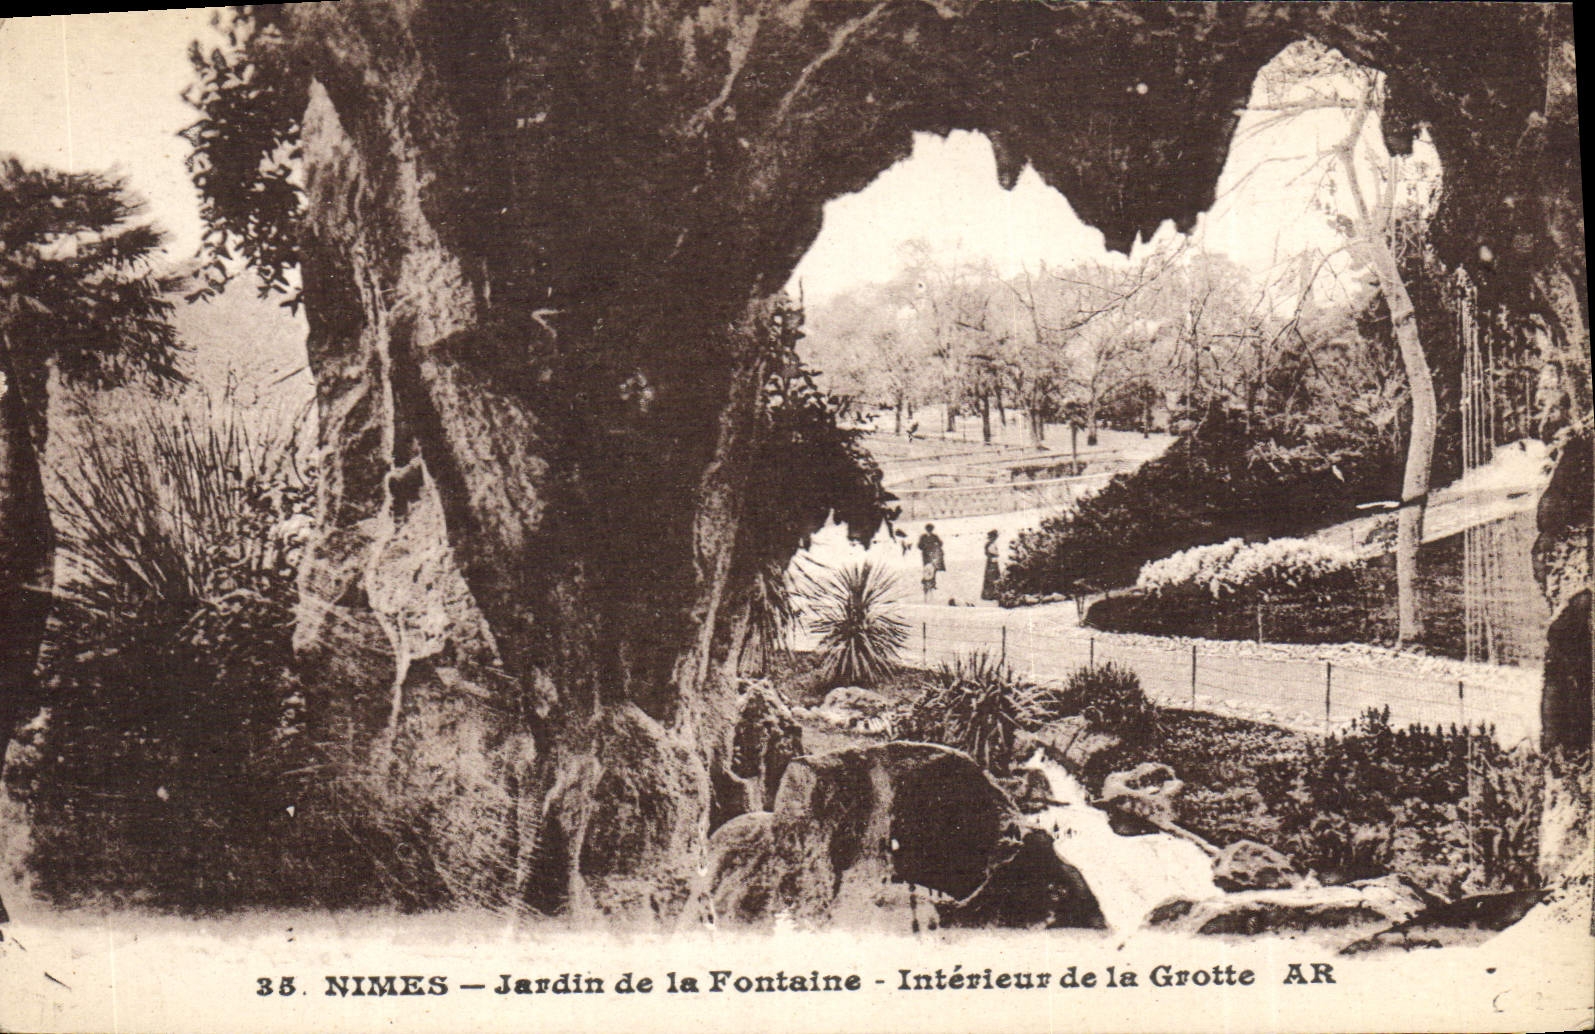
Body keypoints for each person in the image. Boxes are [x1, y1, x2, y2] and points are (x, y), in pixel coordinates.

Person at [917, 523, 945, 600]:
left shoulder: (929, 536)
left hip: (931, 556)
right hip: (927, 557)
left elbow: (940, 543)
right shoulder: (928, 537)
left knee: (931, 570)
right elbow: (919, 546)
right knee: (928, 570)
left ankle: (931, 583)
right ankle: (927, 583)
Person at [981, 529, 1001, 601]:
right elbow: (995, 554)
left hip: (990, 562)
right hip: (992, 563)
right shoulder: (991, 545)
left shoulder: (988, 544)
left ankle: (989, 594)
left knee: (990, 578)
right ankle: (991, 595)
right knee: (992, 578)